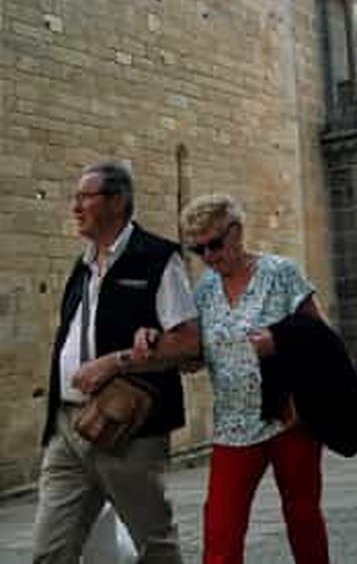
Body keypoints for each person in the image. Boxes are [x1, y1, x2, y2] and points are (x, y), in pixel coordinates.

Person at [32, 160, 200, 563]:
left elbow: (189, 342)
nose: (76, 207)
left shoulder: (157, 257)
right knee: (49, 549)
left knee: (154, 544)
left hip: (128, 428)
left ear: (117, 201)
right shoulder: (83, 264)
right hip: (68, 425)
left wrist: (115, 362)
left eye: (85, 197)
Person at [173, 194, 330, 564]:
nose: (209, 257)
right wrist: (173, 351)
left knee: (302, 515)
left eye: (215, 244)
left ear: (237, 232)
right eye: (199, 250)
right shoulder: (206, 290)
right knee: (221, 529)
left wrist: (280, 341)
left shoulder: (280, 273)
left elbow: (321, 335)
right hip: (233, 425)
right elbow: (198, 353)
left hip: (288, 417)